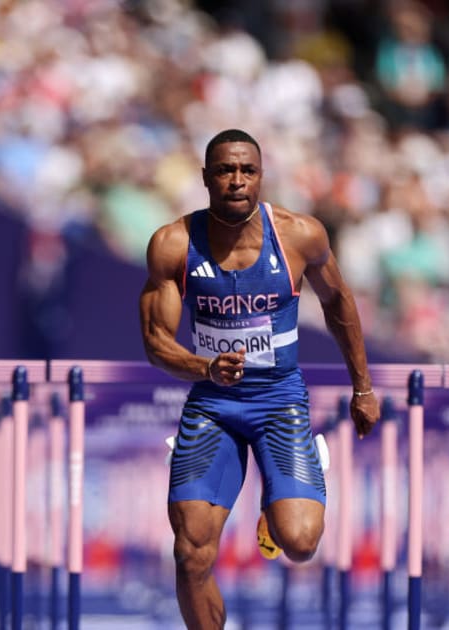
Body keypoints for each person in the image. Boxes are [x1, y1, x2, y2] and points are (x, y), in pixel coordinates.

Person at [139, 129, 380, 628]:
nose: (236, 181)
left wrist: (362, 388)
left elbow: (338, 304)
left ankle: (286, 489)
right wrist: (203, 367)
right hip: (212, 403)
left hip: (279, 401)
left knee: (300, 543)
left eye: (247, 171)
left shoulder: (299, 235)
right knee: (191, 552)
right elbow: (156, 342)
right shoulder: (173, 244)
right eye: (225, 171)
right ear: (206, 178)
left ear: (261, 176)